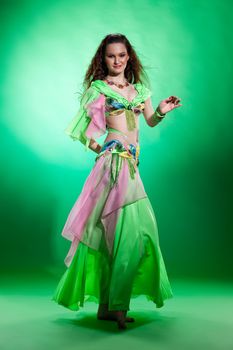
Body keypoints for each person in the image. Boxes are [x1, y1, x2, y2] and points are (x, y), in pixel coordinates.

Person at [51, 33, 182, 330]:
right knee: (123, 233)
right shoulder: (99, 89)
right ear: (103, 59)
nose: (117, 61)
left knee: (125, 233)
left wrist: (161, 110)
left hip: (132, 167)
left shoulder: (140, 90)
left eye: (122, 55)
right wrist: (103, 149)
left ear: (128, 57)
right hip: (112, 166)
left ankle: (108, 307)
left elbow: (148, 121)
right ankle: (116, 308)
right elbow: (81, 131)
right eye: (111, 56)